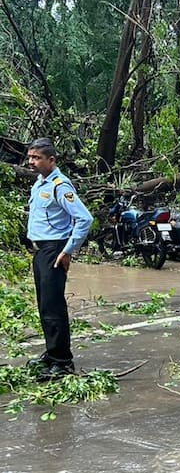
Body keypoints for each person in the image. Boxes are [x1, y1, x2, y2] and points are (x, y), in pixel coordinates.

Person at [25, 138, 93, 379]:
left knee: (53, 307)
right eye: (30, 157)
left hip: (54, 250)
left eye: (36, 158)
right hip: (41, 251)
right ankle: (52, 354)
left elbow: (84, 219)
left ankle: (63, 362)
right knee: (44, 305)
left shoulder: (59, 186)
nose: (31, 162)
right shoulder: (39, 184)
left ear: (51, 160)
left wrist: (68, 250)